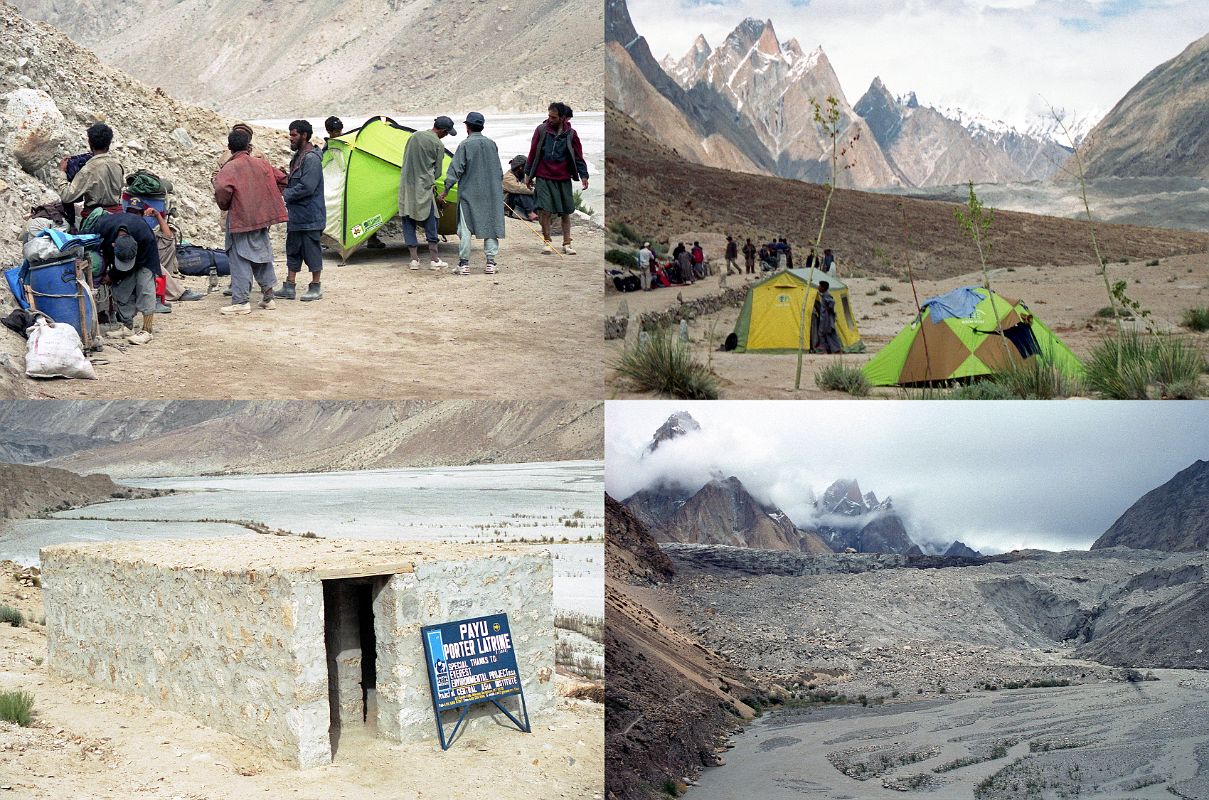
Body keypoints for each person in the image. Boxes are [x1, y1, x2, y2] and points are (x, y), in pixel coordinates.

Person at [213, 127, 288, 315]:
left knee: (239, 257)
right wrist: (266, 198)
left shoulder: (229, 167)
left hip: (240, 219)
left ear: (230, 147)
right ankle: (268, 297)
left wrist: (226, 205)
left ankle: (241, 301)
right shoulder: (261, 164)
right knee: (262, 254)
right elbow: (283, 179)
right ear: (249, 145)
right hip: (261, 218)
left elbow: (222, 190)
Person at [439, 112, 505, 275]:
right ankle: (490, 263)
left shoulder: (465, 145)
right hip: (491, 194)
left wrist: (446, 190)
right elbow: (499, 171)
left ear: (467, 127)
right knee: (490, 226)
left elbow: (455, 170)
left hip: (469, 194)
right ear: (482, 126)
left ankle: (464, 264)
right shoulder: (492, 144)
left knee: (465, 228)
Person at [525, 102, 589, 255]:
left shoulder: (571, 134)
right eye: (549, 116)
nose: (550, 119)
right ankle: (547, 241)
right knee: (545, 210)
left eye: (553, 117)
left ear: (563, 118)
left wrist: (584, 175)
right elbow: (532, 153)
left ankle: (567, 243)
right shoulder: (541, 130)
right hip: (543, 176)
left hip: (563, 177)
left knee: (566, 212)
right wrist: (528, 175)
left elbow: (579, 156)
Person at [92, 210, 160, 344]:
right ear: (113, 244)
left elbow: (138, 263)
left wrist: (113, 275)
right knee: (122, 289)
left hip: (145, 258)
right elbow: (88, 239)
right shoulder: (103, 227)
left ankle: (147, 330)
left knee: (145, 288)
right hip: (120, 254)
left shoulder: (145, 237)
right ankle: (127, 326)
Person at [276, 120, 326, 301]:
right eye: (290, 134)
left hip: (310, 215)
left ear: (304, 135)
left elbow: (307, 186)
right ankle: (289, 285)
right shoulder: (298, 157)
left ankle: (315, 286)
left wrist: (286, 193)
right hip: (297, 216)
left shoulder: (311, 159)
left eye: (294, 135)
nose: (291, 138)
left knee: (312, 250)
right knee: (293, 249)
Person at [399, 116, 455, 270]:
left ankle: (414, 260)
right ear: (443, 131)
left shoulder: (414, 136)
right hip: (424, 187)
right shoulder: (438, 144)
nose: (446, 136)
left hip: (406, 185)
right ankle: (434, 259)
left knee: (408, 219)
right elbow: (437, 173)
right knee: (432, 220)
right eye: (447, 133)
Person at [58, 122, 124, 231]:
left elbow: (67, 196)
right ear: (109, 143)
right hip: (117, 217)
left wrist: (62, 172)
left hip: (95, 220)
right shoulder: (117, 165)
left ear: (90, 143)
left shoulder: (88, 169)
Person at [502, 155, 538, 221]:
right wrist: (537, 191)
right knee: (521, 192)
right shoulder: (507, 177)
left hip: (522, 202)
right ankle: (530, 212)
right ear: (520, 167)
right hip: (509, 204)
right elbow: (520, 188)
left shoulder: (521, 176)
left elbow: (532, 185)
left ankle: (536, 211)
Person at [811, 280, 842, 354]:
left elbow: (832, 302)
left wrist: (828, 309)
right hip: (825, 318)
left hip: (826, 319)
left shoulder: (826, 295)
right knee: (826, 333)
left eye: (820, 286)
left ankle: (829, 349)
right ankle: (831, 349)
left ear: (823, 288)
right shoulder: (824, 294)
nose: (818, 287)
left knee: (824, 333)